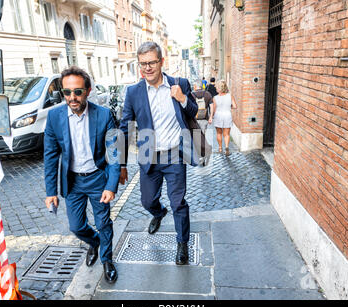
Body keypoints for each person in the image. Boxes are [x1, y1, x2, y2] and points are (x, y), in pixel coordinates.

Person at [119, 41, 199, 265]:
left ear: (161, 62)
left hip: (175, 155)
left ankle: (182, 244)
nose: (147, 68)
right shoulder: (133, 92)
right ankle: (158, 213)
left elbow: (194, 112)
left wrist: (182, 99)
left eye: (152, 62)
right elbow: (124, 127)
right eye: (143, 64)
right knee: (147, 201)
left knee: (178, 203)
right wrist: (121, 164)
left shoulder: (179, 83)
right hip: (149, 156)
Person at [44, 66, 120, 284]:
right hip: (73, 181)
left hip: (98, 178)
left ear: (87, 91)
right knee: (76, 226)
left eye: (77, 91)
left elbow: (115, 153)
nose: (72, 97)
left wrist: (111, 185)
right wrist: (51, 191)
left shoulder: (104, 115)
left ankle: (107, 260)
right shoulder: (54, 116)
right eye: (67, 92)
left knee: (103, 222)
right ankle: (95, 242)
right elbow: (50, 156)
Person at [208, 79, 237, 156]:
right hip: (227, 114)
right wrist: (228, 106)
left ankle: (220, 148)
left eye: (217, 87)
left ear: (220, 88)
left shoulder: (215, 98)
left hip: (218, 115)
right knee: (227, 134)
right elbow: (235, 106)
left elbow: (214, 109)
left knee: (219, 133)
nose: (216, 89)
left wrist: (211, 117)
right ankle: (227, 147)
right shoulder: (230, 96)